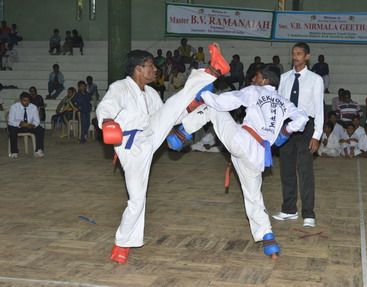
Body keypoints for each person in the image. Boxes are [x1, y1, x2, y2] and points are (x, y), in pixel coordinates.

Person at [96, 44, 230, 264]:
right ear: (138, 69)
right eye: (150, 66)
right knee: (137, 200)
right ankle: (122, 243)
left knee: (174, 104)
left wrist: (190, 106)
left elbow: (169, 116)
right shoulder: (119, 87)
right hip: (132, 144)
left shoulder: (150, 92)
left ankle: (212, 71)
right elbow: (106, 106)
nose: (155, 70)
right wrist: (108, 122)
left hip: (151, 132)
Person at [175, 64, 309, 258]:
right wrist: (284, 133)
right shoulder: (284, 102)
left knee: (213, 108)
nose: (253, 80)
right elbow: (302, 118)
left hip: (243, 142)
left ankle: (180, 134)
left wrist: (204, 95)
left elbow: (226, 102)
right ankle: (269, 240)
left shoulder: (255, 90)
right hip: (259, 156)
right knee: (254, 197)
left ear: (264, 80)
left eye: (256, 77)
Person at [273, 42, 324, 228]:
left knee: (305, 171)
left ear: (307, 56)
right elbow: (278, 106)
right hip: (287, 127)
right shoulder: (284, 78)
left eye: (299, 53)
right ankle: (289, 209)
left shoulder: (315, 79)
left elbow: (319, 109)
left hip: (306, 128)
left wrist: (316, 135)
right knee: (286, 170)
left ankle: (308, 213)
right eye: (293, 53)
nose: (296, 57)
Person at [8, 92, 45, 158]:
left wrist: (33, 125)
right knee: (11, 128)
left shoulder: (33, 107)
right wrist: (20, 123)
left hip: (29, 126)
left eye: (28, 101)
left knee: (40, 129)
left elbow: (37, 121)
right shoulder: (14, 107)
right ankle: (14, 151)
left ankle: (38, 150)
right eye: (24, 101)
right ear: (20, 100)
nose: (26, 102)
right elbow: (10, 121)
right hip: (18, 126)